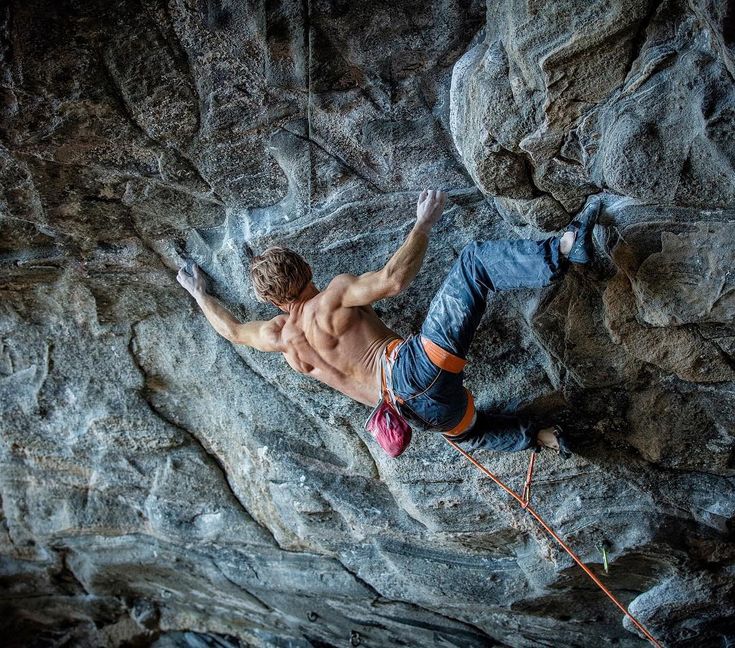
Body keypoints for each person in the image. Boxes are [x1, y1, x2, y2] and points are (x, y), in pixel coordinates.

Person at [177, 190, 600, 458]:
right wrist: (423, 223)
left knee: (468, 435)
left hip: (406, 414)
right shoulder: (333, 297)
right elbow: (393, 280)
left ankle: (544, 438)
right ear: (306, 267)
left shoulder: (280, 338)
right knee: (473, 264)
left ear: (270, 301)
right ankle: (564, 248)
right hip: (415, 368)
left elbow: (232, 330)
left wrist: (199, 293)